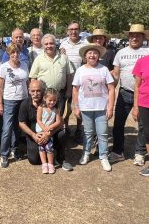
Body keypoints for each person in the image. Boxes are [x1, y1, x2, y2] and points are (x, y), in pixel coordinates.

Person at [109, 24, 149, 164]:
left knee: (143, 126)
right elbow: (116, 74)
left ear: (143, 37)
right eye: (132, 35)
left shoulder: (148, 51)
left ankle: (140, 153)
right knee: (119, 123)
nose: (134, 37)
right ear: (128, 37)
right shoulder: (120, 52)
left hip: (144, 95)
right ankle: (118, 151)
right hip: (125, 92)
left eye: (138, 35)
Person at [72, 44, 115, 172]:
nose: (92, 55)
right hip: (86, 107)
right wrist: (76, 107)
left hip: (101, 107)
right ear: (85, 56)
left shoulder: (104, 69)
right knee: (88, 133)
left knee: (102, 133)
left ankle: (103, 156)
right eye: (89, 53)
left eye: (95, 53)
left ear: (99, 56)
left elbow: (111, 89)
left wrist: (110, 107)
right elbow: (75, 89)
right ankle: (86, 153)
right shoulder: (80, 70)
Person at [18, 80, 73, 171]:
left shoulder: (52, 101)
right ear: (29, 91)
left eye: (38, 91)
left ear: (43, 91)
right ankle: (48, 155)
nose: (35, 93)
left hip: (51, 133)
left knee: (62, 134)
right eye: (33, 91)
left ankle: (61, 159)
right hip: (35, 135)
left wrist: (49, 134)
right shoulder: (25, 104)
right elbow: (21, 123)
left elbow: (61, 122)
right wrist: (33, 135)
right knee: (34, 160)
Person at [0, 43, 29, 168]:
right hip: (9, 100)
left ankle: (14, 149)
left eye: (17, 52)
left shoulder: (24, 65)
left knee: (17, 126)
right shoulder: (4, 67)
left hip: (23, 99)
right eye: (13, 52)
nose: (15, 55)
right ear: (9, 54)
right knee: (7, 128)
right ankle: (4, 155)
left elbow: (27, 82)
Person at [29, 34, 73, 114]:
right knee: (44, 117)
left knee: (58, 116)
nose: (49, 46)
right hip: (43, 94)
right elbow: (33, 77)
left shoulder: (64, 57)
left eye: (51, 43)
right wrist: (33, 95)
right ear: (43, 45)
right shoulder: (38, 59)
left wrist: (69, 90)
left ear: (55, 44)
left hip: (60, 94)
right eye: (46, 44)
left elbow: (69, 74)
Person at [59, 21, 88, 142]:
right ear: (67, 31)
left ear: (79, 30)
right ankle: (65, 127)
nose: (73, 31)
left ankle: (79, 129)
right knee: (65, 106)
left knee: (79, 105)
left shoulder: (85, 43)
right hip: (65, 80)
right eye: (71, 29)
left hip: (80, 81)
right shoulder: (63, 43)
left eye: (76, 29)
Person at [36, 88, 61, 174]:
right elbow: (38, 120)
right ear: (44, 99)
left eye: (54, 100)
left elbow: (58, 121)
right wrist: (44, 128)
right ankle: (44, 164)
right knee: (41, 147)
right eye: (50, 100)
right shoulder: (41, 108)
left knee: (49, 147)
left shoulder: (56, 109)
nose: (52, 102)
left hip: (49, 132)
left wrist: (50, 127)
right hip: (40, 131)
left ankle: (50, 164)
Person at [132, 54, 149, 176]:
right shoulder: (142, 61)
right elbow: (137, 86)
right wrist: (136, 106)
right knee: (148, 134)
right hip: (145, 103)